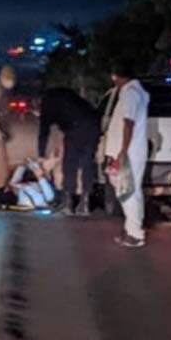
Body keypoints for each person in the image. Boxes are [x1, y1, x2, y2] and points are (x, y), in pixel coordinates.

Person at [103, 60, 149, 247]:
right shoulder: (133, 92)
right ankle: (132, 227)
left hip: (128, 151)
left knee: (127, 191)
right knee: (129, 190)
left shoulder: (131, 94)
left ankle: (135, 233)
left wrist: (122, 152)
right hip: (129, 150)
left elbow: (128, 123)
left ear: (116, 76)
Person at [37, 87, 100, 216]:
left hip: (75, 127)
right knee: (87, 162)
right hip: (93, 123)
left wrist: (41, 155)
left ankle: (69, 203)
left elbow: (44, 131)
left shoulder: (48, 102)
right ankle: (85, 203)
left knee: (70, 163)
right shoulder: (66, 93)